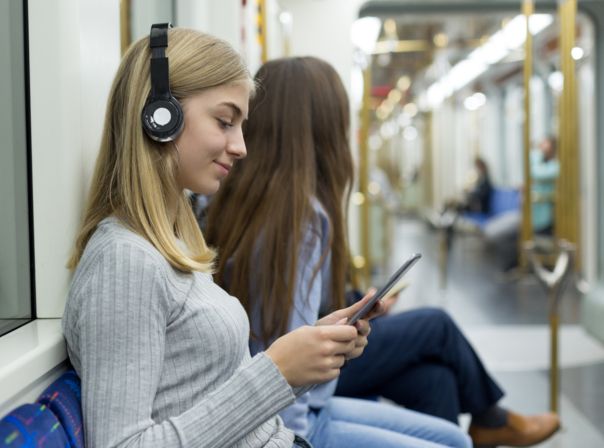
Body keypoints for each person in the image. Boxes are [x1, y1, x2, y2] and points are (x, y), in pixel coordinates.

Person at [204, 56, 560, 448]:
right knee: (436, 326)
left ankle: (489, 421)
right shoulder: (300, 217)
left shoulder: (234, 200)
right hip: (293, 413)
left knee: (435, 379)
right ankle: (492, 418)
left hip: (278, 393)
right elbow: (292, 347)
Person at [62, 26, 381, 448]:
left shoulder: (172, 242)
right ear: (160, 116)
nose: (241, 147)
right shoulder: (125, 261)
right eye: (225, 121)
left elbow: (207, 397)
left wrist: (307, 354)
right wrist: (276, 372)